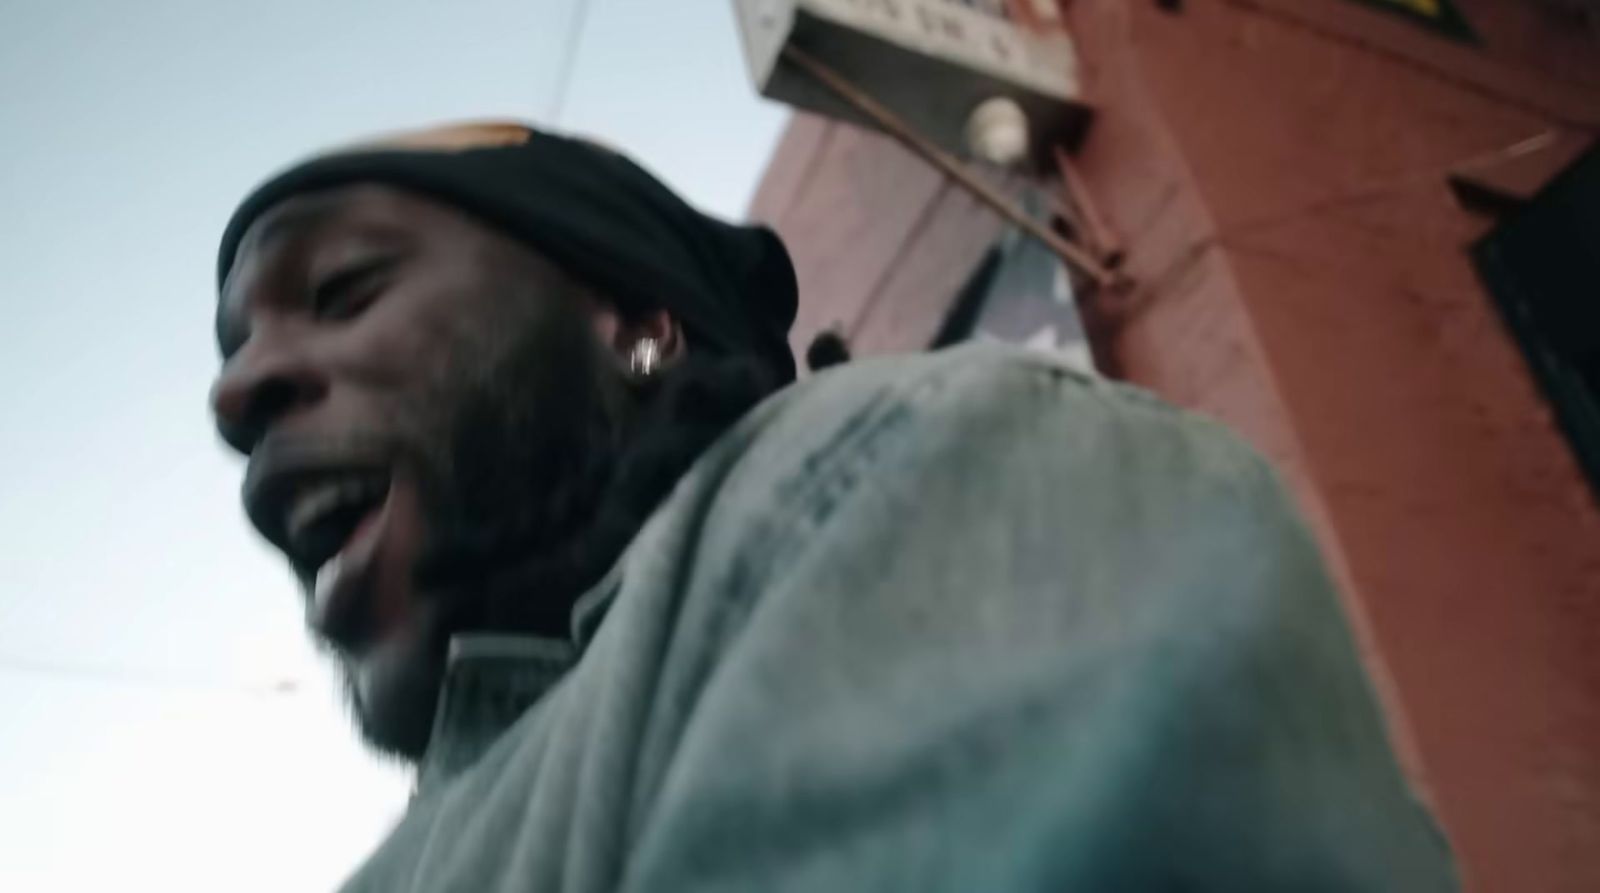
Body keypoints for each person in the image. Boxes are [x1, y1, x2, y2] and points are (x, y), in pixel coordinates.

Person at [209, 121, 1456, 891]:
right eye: (233, 348)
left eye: (344, 288)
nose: (237, 389)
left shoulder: (901, 462)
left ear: (639, 325)